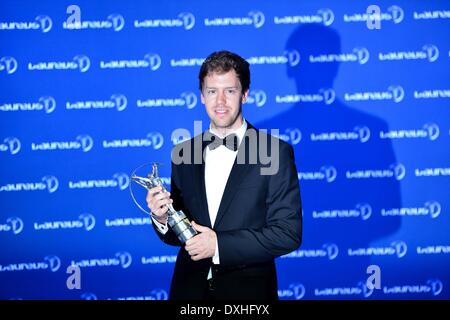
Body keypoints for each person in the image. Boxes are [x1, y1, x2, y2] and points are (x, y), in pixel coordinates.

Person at [146, 50, 302, 300]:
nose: (220, 101)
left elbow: (287, 234)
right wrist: (162, 217)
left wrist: (218, 245)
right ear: (201, 96)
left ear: (245, 94)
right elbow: (182, 235)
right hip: (189, 293)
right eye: (212, 91)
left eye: (229, 91)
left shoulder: (275, 152)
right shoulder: (183, 152)